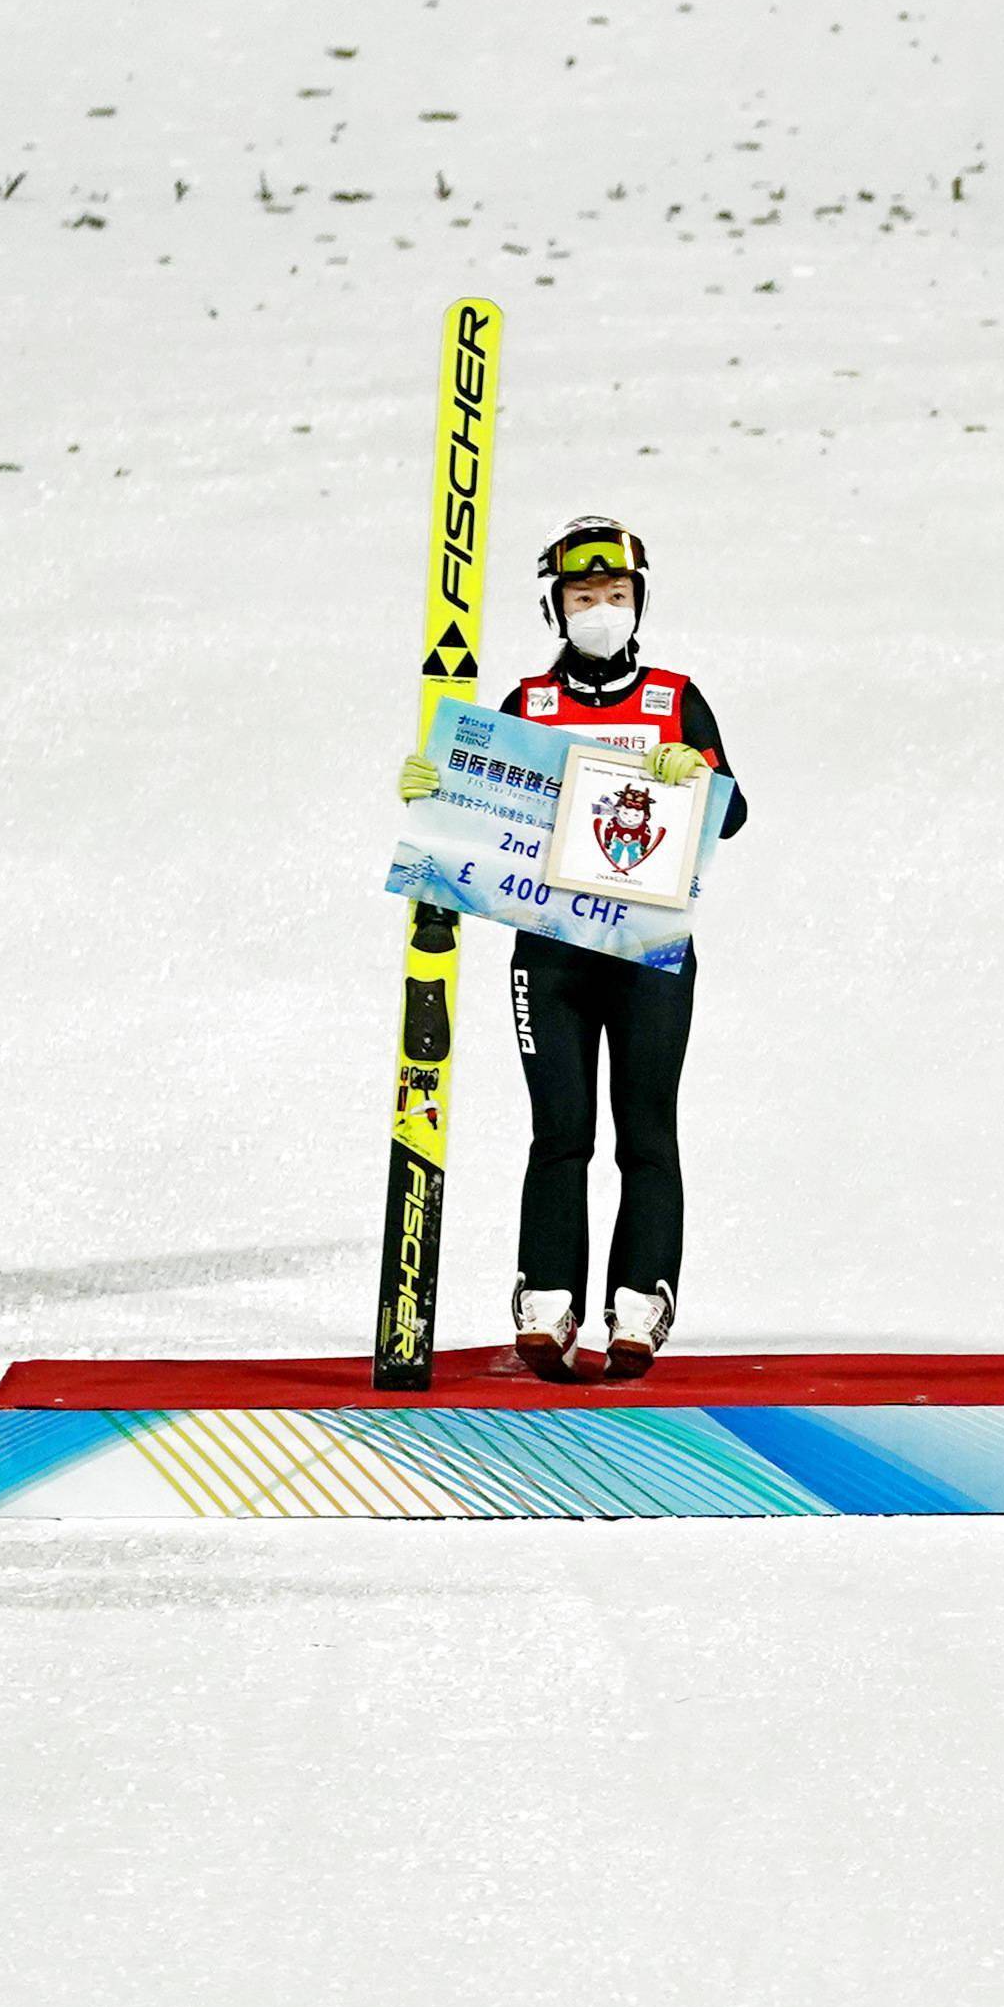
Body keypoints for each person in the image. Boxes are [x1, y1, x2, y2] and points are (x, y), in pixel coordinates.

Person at [397, 516, 747, 1380]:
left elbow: (733, 816)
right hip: (551, 951)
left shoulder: (672, 697)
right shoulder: (530, 706)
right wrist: (435, 796)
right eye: (584, 597)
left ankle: (639, 1302)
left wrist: (695, 776)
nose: (602, 610)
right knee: (559, 1131)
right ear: (557, 607)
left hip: (648, 949)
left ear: (639, 603)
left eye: (616, 596)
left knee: (645, 1131)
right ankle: (548, 1301)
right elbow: (480, 821)